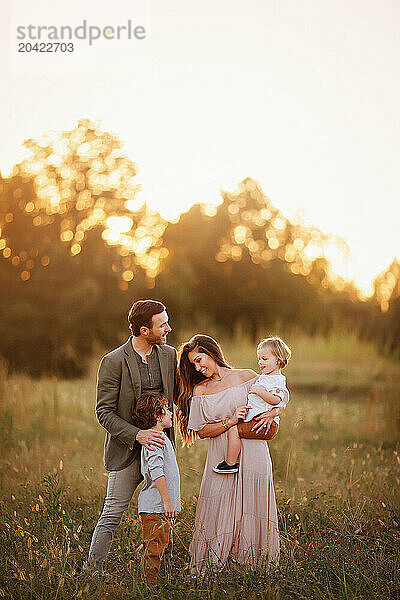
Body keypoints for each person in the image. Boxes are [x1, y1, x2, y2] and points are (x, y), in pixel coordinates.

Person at [176, 334, 285, 576]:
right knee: (219, 502)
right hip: (221, 454)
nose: (198, 367)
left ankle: (255, 566)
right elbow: (202, 431)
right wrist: (229, 421)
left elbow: (276, 394)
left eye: (200, 359)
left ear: (212, 353)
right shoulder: (200, 390)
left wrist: (274, 412)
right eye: (193, 364)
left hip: (254, 450)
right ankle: (216, 563)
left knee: (252, 503)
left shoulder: (246, 376)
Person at [86, 299, 177, 573]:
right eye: (162, 325)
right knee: (111, 514)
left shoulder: (169, 354)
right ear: (143, 330)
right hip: (127, 451)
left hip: (161, 449)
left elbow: (188, 389)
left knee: (165, 513)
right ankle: (92, 571)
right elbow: (104, 412)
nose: (168, 329)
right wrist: (138, 436)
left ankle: (163, 572)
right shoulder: (113, 361)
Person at [213, 336, 291, 474]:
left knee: (234, 430)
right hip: (258, 419)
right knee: (234, 428)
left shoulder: (277, 380)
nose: (260, 362)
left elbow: (276, 400)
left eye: (265, 359)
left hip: (266, 424)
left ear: (278, 360)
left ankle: (231, 463)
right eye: (259, 359)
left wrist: (260, 392)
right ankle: (232, 461)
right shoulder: (265, 377)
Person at [132, 391, 181, 580]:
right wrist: (168, 502)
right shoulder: (154, 440)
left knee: (160, 546)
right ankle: (149, 587)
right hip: (155, 507)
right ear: (157, 416)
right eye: (166, 409)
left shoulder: (161, 437)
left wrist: (174, 502)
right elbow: (157, 472)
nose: (170, 413)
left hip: (162, 507)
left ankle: (158, 581)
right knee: (154, 550)